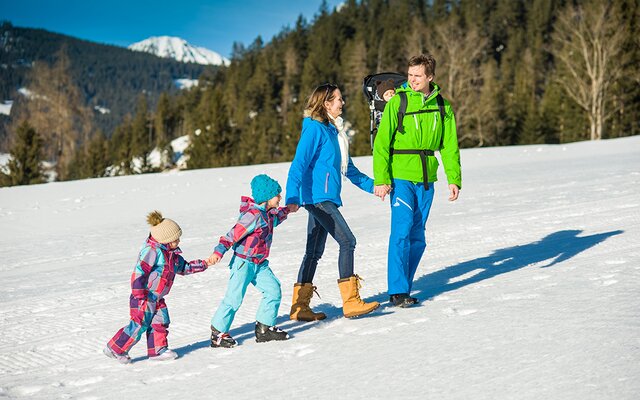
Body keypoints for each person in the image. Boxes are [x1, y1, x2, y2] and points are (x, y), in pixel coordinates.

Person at [373, 54, 462, 308]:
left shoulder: (443, 107)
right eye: (410, 75)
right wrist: (382, 178)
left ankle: (404, 286)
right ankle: (398, 291)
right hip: (400, 176)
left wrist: (453, 178)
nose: (412, 80)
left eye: (417, 76)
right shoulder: (398, 102)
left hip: (427, 178)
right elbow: (381, 144)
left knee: (418, 236)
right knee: (400, 232)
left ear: (430, 78)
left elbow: (449, 146)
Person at [286, 83, 380, 320]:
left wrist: (375, 186)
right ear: (326, 103)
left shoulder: (333, 131)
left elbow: (349, 170)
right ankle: (350, 302)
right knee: (348, 241)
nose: (343, 102)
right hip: (317, 199)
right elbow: (298, 164)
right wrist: (292, 196)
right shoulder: (315, 129)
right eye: (338, 99)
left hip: (325, 198)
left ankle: (300, 308)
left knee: (314, 252)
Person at [104, 211, 210, 364]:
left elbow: (184, 267)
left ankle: (157, 351)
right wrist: (139, 292)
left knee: (160, 322)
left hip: (157, 297)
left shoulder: (171, 255)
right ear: (165, 240)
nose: (178, 241)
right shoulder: (152, 251)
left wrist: (203, 264)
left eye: (178, 238)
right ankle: (115, 348)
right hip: (144, 296)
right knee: (139, 325)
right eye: (175, 239)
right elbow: (140, 271)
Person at [208, 174, 294, 347]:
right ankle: (218, 333)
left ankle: (264, 328)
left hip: (260, 264)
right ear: (267, 197)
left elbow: (275, 218)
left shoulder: (267, 214)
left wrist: (289, 209)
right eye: (277, 194)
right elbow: (232, 235)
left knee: (273, 290)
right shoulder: (252, 216)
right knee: (234, 298)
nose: (280, 198)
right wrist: (219, 252)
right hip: (243, 263)